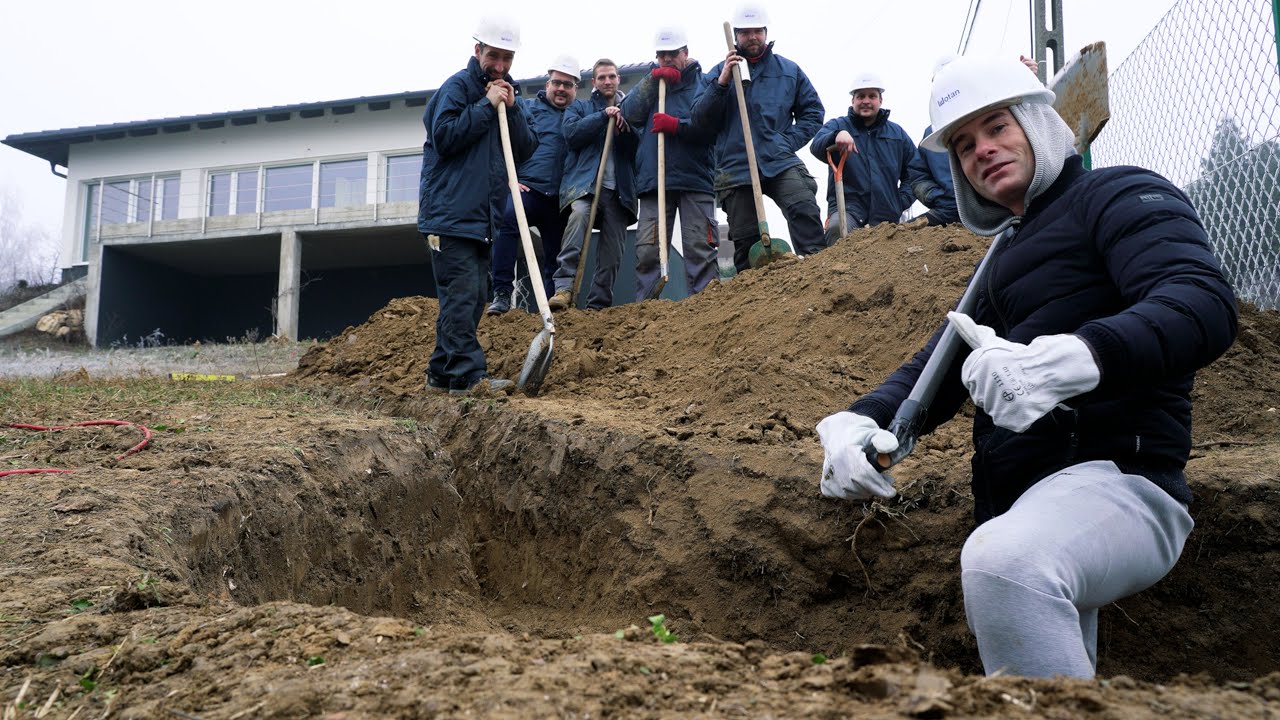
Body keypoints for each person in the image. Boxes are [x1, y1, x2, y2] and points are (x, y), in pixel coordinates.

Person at [815, 54, 1238, 679]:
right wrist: (858, 420)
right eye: (963, 145)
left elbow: (1200, 302)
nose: (981, 150)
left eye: (997, 127)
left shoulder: (1117, 194)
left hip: (1124, 483)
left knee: (1004, 564)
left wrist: (1073, 359)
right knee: (1053, 651)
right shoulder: (1001, 259)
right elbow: (933, 368)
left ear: (1039, 122)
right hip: (1031, 503)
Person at [418, 17, 536, 395]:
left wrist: (512, 110)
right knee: (463, 294)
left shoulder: (507, 95)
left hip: (482, 218)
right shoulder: (457, 88)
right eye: (493, 56)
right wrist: (486, 105)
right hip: (449, 216)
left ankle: (440, 374)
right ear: (477, 51)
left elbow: (525, 148)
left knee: (472, 299)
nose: (499, 67)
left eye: (507, 59)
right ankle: (468, 377)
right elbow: (444, 136)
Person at [690, 4, 826, 271]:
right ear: (736, 36)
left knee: (803, 206)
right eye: (745, 32)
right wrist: (722, 82)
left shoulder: (789, 70)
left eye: (757, 31)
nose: (752, 37)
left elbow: (813, 112)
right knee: (745, 238)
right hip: (734, 165)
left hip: (778, 159)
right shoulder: (717, 73)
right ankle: (751, 299)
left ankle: (818, 271)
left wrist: (785, 142)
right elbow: (699, 120)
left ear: (765, 32)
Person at [621, 26, 719, 300]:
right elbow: (629, 114)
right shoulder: (651, 84)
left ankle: (705, 309)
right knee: (648, 251)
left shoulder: (704, 84)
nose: (666, 59)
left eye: (672, 54)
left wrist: (678, 125)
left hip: (694, 178)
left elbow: (709, 127)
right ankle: (646, 311)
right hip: (655, 181)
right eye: (661, 54)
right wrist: (651, 82)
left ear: (686, 53)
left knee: (700, 248)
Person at [486, 55, 579, 316]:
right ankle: (502, 292)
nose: (561, 89)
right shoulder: (526, 108)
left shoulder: (578, 114)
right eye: (557, 83)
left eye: (568, 85)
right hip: (528, 189)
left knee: (555, 255)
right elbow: (500, 141)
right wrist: (509, 178)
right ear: (547, 84)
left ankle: (550, 309)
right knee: (508, 222)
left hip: (560, 199)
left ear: (576, 89)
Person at [548, 59, 639, 311]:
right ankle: (564, 289)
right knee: (578, 217)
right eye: (602, 77)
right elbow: (571, 135)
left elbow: (639, 151)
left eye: (611, 76)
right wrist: (602, 116)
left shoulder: (630, 109)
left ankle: (598, 305)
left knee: (613, 253)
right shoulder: (580, 107)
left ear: (618, 79)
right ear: (594, 82)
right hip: (585, 187)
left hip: (619, 193)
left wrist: (627, 131)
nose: (607, 81)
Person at [809, 72, 918, 242]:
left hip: (886, 216)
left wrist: (899, 201)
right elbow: (816, 146)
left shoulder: (897, 135)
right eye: (860, 96)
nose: (866, 101)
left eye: (872, 96)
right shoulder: (837, 125)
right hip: (848, 209)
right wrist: (836, 136)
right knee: (836, 229)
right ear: (853, 101)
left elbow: (915, 172)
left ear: (880, 101)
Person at [907, 124, 960, 226]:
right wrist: (935, 196)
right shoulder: (931, 133)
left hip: (982, 210)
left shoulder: (975, 120)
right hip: (945, 210)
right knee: (899, 234)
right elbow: (918, 176)